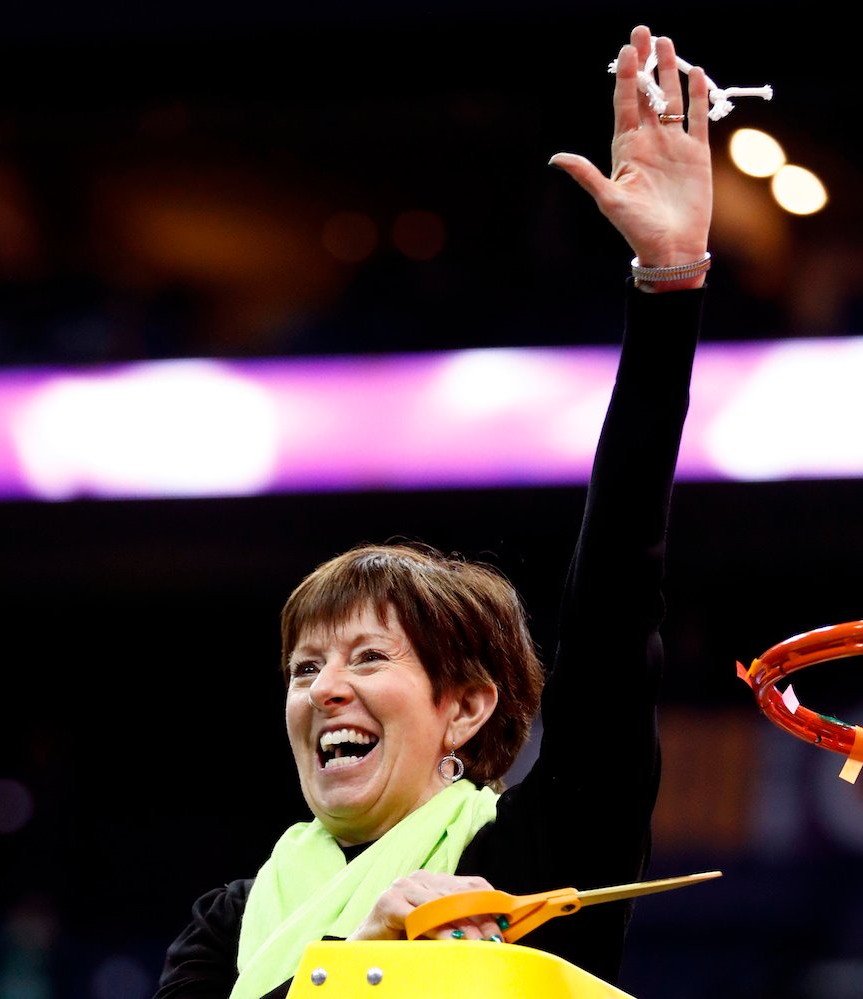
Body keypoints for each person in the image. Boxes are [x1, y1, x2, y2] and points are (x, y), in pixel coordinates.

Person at [155, 23, 712, 999]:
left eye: (367, 658)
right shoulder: (235, 920)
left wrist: (667, 286)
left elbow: (620, 591)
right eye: (305, 668)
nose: (324, 689)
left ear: (466, 705)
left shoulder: (552, 845)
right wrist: (361, 963)